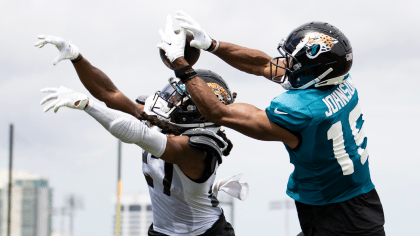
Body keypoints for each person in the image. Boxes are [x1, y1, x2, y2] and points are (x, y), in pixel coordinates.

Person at [157, 12, 385, 236]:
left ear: (316, 71)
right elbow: (265, 65)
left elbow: (219, 113)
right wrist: (212, 44)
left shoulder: (303, 112)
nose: (287, 65)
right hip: (355, 199)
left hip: (338, 216)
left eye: (295, 63)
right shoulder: (340, 79)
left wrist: (181, 65)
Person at [35, 35, 249, 236]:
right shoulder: (165, 123)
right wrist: (76, 57)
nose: (169, 99)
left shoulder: (199, 149)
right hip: (161, 231)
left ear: (194, 113)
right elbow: (110, 94)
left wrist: (88, 106)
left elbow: (139, 135)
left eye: (178, 98)